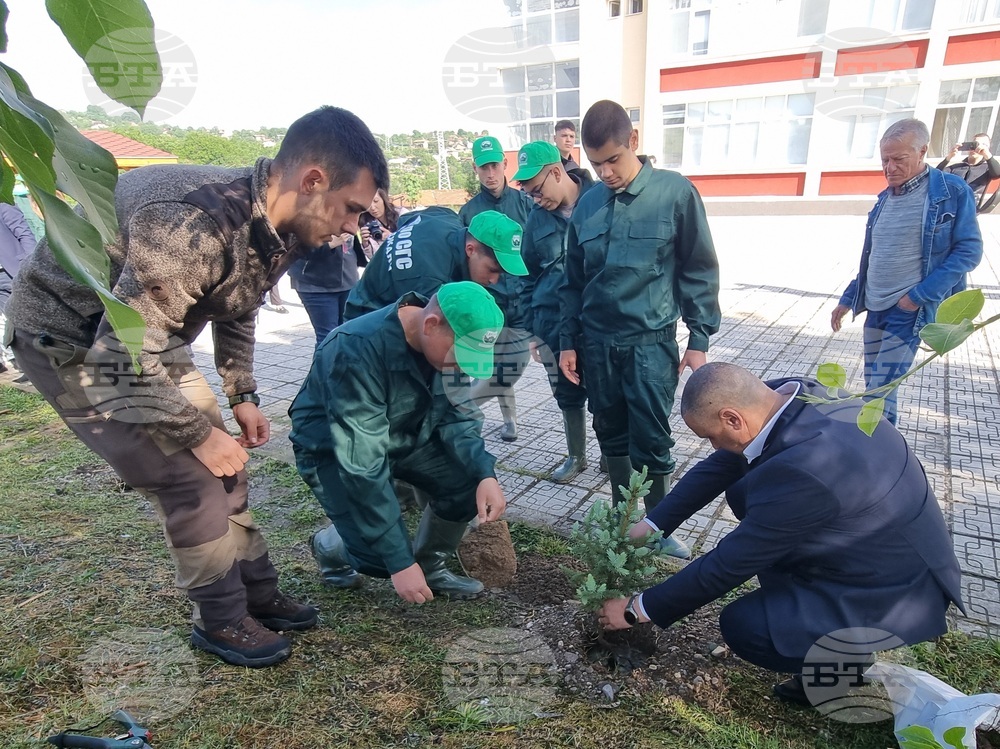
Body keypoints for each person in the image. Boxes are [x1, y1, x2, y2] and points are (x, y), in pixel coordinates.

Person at [5, 105, 390, 668]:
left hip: (144, 339)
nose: (353, 227)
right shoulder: (189, 224)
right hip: (72, 339)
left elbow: (239, 305)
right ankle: (220, 618)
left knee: (227, 466)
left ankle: (257, 593)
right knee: (188, 477)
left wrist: (242, 393)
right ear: (313, 181)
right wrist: (196, 433)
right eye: (352, 208)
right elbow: (118, 358)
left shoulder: (282, 226)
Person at [597, 362, 964, 706]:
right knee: (759, 516)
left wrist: (637, 609)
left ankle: (842, 666)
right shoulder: (792, 395)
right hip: (876, 547)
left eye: (711, 437)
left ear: (733, 418)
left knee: (748, 627)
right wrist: (653, 525)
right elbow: (721, 464)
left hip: (895, 591)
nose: (713, 446)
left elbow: (730, 563)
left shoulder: (808, 470)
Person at [559, 100, 721, 559]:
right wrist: (567, 342)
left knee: (651, 438)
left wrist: (699, 339)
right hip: (597, 346)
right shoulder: (589, 204)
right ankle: (621, 519)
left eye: (613, 159)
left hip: (650, 344)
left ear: (633, 141)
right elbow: (572, 281)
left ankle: (658, 527)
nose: (606, 172)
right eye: (597, 164)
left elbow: (699, 268)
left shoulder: (674, 193)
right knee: (610, 431)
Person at [290, 282, 509, 601]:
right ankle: (327, 546)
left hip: (407, 433)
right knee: (381, 558)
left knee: (467, 484)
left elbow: (458, 416)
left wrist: (484, 473)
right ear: (431, 324)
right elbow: (362, 464)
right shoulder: (356, 349)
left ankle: (430, 567)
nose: (462, 366)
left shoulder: (445, 351)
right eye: (461, 355)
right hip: (333, 449)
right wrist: (399, 562)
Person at [832, 119, 983, 425]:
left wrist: (916, 297)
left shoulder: (951, 192)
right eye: (884, 160)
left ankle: (878, 450)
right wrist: (848, 298)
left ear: (922, 151)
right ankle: (880, 447)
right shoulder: (884, 199)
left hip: (908, 311)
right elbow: (874, 258)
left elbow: (969, 251)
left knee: (880, 390)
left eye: (898, 159)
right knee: (875, 384)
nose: (889, 168)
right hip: (875, 307)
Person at [514, 140, 595, 482]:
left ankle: (613, 453)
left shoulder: (599, 202)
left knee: (606, 393)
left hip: (595, 321)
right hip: (551, 322)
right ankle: (577, 455)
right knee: (566, 393)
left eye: (537, 190)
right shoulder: (536, 219)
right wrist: (532, 332)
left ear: (556, 173)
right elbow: (526, 277)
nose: (536, 199)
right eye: (529, 194)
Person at [459, 135, 534, 442]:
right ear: (475, 169)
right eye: (483, 167)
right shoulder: (468, 212)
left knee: (513, 363)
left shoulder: (525, 204)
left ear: (505, 163)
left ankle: (460, 409)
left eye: (494, 165)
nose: (490, 173)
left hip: (522, 300)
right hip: (488, 301)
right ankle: (509, 419)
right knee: (491, 365)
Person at [344, 207, 527, 320]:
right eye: (493, 270)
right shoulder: (430, 281)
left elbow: (405, 220)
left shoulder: (445, 216)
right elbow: (427, 341)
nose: (494, 280)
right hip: (366, 316)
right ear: (471, 249)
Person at [288, 232, 368, 347]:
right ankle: (326, 359)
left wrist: (366, 244)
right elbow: (294, 250)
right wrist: (329, 245)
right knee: (328, 338)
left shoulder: (349, 221)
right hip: (315, 285)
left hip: (349, 281)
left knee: (349, 333)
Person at [0, 202, 38, 372]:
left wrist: (28, 263)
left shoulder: (4, 204)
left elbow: (24, 233)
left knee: (26, 313)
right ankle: (19, 361)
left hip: (13, 270)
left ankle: (37, 358)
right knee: (7, 318)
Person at [936, 132, 1000, 213]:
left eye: (981, 144)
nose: (976, 147)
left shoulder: (987, 169)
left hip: (970, 209)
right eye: (974, 144)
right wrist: (949, 157)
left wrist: (987, 155)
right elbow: (936, 175)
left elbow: (997, 174)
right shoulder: (956, 167)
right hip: (949, 208)